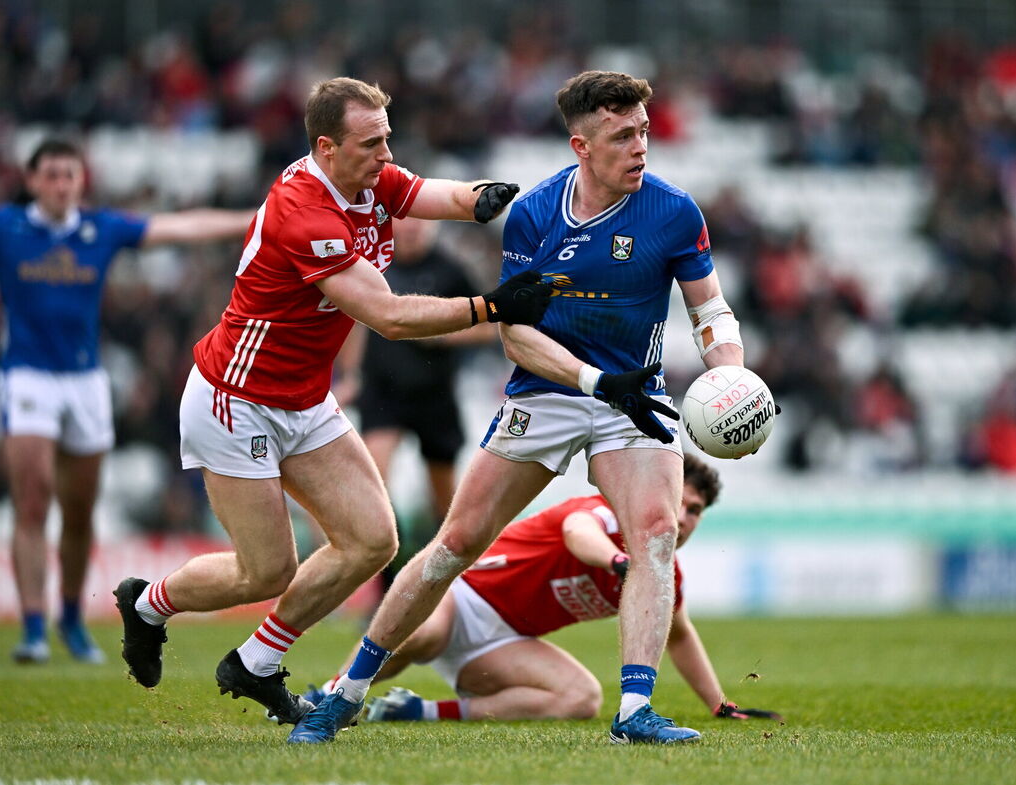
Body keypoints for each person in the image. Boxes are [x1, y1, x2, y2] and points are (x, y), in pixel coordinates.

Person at [296, 70, 746, 745]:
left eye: (644, 132)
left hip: (635, 395)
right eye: (622, 136)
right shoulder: (535, 213)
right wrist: (594, 380)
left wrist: (732, 375)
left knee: (653, 531)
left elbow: (709, 310)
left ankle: (633, 711)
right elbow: (516, 332)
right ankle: (345, 691)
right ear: (581, 145)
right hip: (551, 389)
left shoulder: (675, 211)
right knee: (455, 542)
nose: (640, 147)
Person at [111, 78, 550, 729]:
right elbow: (388, 316)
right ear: (326, 145)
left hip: (304, 399)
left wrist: (481, 198)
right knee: (265, 571)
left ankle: (256, 661)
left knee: (375, 539)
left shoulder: (366, 175)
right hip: (237, 399)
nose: (385, 153)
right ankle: (148, 603)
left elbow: (426, 192)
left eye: (387, 138)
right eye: (372, 142)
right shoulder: (303, 210)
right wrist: (491, 306)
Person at [0, 138, 254, 665]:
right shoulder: (6, 226)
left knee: (78, 512)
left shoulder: (101, 229)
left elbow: (178, 227)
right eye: (51, 175)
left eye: (69, 175)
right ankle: (33, 628)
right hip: (27, 377)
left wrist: (252, 219)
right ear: (32, 181)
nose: (60, 184)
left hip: (86, 381)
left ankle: (72, 619)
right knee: (32, 500)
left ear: (82, 181)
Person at [295, 455, 781, 725]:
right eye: (679, 501)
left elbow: (678, 635)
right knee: (418, 635)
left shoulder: (663, 575)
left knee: (581, 699)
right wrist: (616, 559)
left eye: (695, 511)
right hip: (463, 597)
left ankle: (415, 711)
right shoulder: (605, 511)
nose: (682, 518)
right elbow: (578, 534)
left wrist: (719, 704)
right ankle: (330, 697)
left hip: (503, 643)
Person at [330, 216, 496, 596]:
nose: (410, 232)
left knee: (444, 500)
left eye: (418, 226)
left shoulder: (450, 271)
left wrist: (441, 334)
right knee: (376, 485)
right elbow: (354, 322)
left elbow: (488, 324)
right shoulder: (375, 266)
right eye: (403, 226)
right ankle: (385, 591)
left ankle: (445, 590)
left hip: (434, 395)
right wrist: (352, 376)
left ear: (431, 229)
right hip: (382, 393)